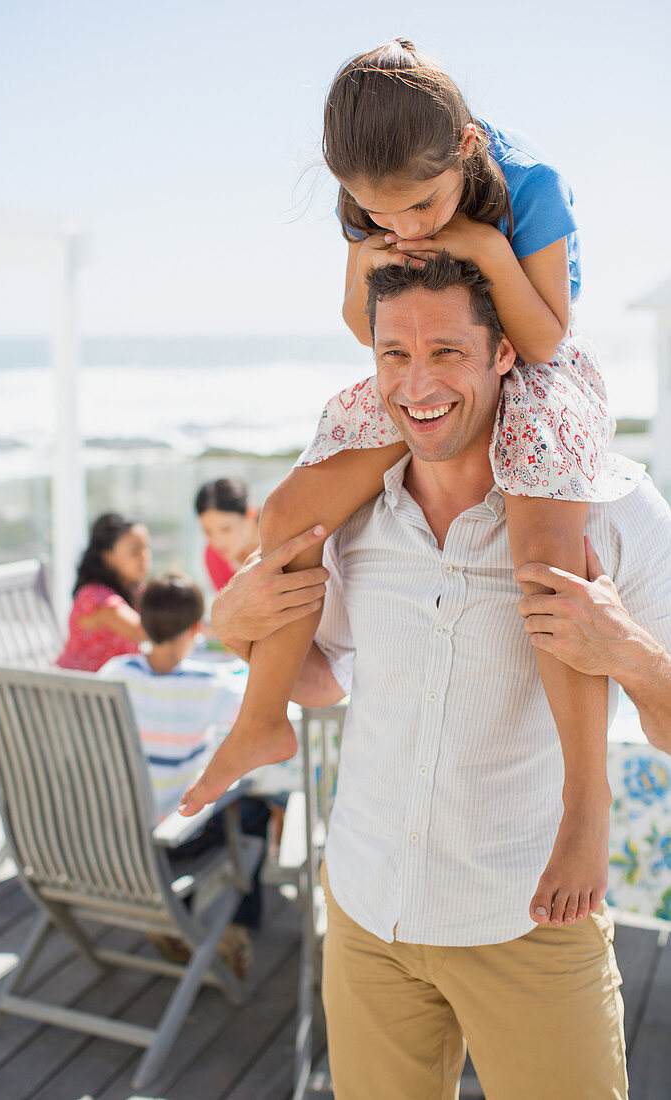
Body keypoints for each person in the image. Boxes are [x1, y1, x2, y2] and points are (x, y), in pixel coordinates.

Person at [208, 258, 671, 1098]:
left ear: (504, 354)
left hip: (530, 920)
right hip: (365, 909)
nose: (417, 385)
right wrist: (230, 629)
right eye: (395, 356)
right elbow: (321, 681)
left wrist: (628, 652)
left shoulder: (611, 511)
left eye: (449, 351)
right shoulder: (349, 513)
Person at [182, 39, 617, 929]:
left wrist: (482, 246)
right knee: (287, 512)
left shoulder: (529, 184)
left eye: (423, 205)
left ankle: (584, 804)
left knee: (547, 565)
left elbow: (542, 337)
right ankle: (263, 717)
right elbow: (359, 318)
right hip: (425, 360)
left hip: (527, 369)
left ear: (463, 146)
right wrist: (377, 251)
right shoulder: (372, 196)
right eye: (385, 213)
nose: (409, 229)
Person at [99, 574, 269, 976]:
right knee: (254, 809)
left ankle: (180, 921)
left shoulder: (114, 673)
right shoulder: (209, 685)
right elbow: (255, 719)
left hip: (116, 833)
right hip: (170, 838)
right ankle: (233, 926)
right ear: (196, 629)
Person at [56, 512, 150, 672]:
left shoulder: (135, 590)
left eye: (146, 548)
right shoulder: (96, 598)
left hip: (110, 689)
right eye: (135, 551)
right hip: (78, 690)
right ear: (107, 557)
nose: (144, 557)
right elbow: (146, 631)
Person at [194, 478, 260, 592]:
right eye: (208, 532)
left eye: (226, 529)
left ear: (250, 515)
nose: (217, 542)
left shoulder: (281, 542)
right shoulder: (214, 556)